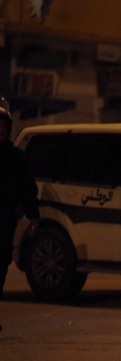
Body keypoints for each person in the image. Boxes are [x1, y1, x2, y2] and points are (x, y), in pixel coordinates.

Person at [0, 100, 40, 315]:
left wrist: (33, 216)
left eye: (2, 126)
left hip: (4, 219)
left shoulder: (14, 157)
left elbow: (27, 187)